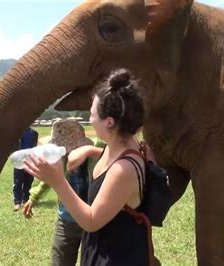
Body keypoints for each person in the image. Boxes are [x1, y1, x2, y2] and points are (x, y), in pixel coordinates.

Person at [24, 69, 154, 265]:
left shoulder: (123, 169)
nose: (90, 119)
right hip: (104, 249)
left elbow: (91, 221)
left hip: (116, 257)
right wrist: (87, 151)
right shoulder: (121, 147)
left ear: (109, 121)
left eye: (92, 113)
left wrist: (58, 181)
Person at [22, 118, 103, 266]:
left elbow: (115, 155)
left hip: (93, 220)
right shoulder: (60, 160)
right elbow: (48, 179)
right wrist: (33, 198)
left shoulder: (94, 158)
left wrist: (90, 150)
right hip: (66, 221)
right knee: (60, 261)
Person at [13, 127, 38, 211]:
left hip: (30, 160)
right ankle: (17, 202)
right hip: (19, 160)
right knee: (18, 181)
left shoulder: (34, 133)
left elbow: (35, 146)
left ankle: (25, 200)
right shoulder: (17, 133)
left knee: (28, 181)